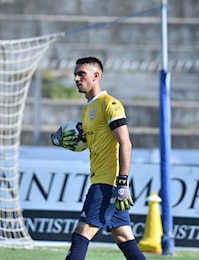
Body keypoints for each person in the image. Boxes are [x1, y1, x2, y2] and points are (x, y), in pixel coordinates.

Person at [58, 57, 146, 260]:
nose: (76, 78)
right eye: (75, 74)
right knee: (124, 238)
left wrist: (122, 182)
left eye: (82, 74)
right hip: (104, 182)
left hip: (107, 184)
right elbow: (92, 143)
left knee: (81, 235)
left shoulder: (110, 104)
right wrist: (72, 141)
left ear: (96, 76)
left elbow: (126, 143)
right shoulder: (89, 108)